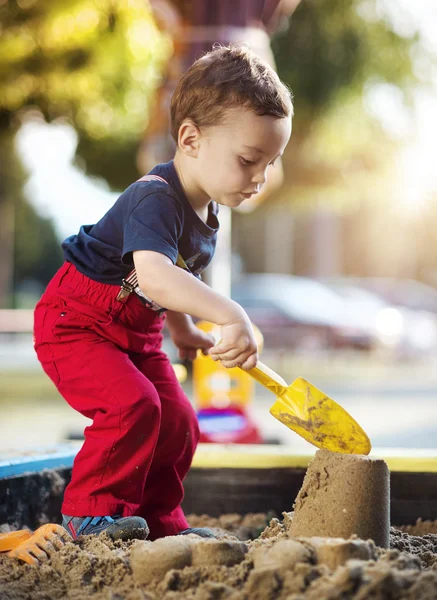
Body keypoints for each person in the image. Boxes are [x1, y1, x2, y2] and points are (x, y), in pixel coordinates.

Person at [33, 44, 293, 541]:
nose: (260, 178)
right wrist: (229, 312)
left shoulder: (209, 218)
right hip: (77, 325)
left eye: (270, 162)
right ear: (190, 139)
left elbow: (170, 288)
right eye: (248, 160)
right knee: (134, 406)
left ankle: (156, 521)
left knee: (178, 421)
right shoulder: (154, 197)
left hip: (138, 334)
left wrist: (186, 329)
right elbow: (152, 276)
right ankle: (90, 517)